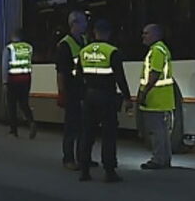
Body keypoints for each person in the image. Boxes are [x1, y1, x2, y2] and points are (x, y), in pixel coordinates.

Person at [76, 19, 132, 183]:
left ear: (94, 32)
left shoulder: (84, 51)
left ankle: (84, 170)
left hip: (89, 96)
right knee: (109, 135)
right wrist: (127, 97)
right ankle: (109, 171)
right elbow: (120, 77)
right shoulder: (112, 51)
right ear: (108, 33)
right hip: (107, 97)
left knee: (87, 133)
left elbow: (78, 77)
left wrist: (81, 97)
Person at [137, 23, 175, 169]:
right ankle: (165, 159)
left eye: (146, 33)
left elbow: (154, 73)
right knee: (162, 130)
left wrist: (144, 92)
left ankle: (158, 159)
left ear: (156, 35)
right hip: (162, 97)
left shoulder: (157, 50)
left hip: (155, 98)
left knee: (156, 130)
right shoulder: (161, 49)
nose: (143, 36)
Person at [56, 11, 89, 169]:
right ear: (74, 24)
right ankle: (68, 159)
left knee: (84, 126)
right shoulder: (65, 45)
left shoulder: (84, 40)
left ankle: (83, 157)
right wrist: (62, 93)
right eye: (83, 21)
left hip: (83, 90)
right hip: (71, 91)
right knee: (71, 127)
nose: (86, 24)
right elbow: (61, 72)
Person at [2, 30, 36, 138]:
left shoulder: (9, 48)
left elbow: (4, 66)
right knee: (24, 103)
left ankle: (14, 130)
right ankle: (31, 122)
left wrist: (4, 81)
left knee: (12, 105)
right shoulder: (29, 47)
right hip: (26, 79)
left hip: (13, 80)